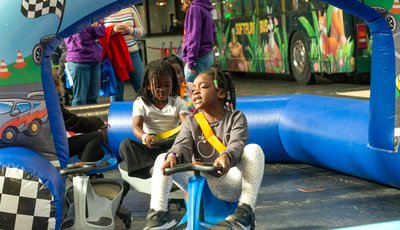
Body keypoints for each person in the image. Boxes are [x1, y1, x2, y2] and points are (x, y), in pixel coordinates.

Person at [144, 68, 265, 230]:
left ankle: (246, 212)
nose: (195, 92)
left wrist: (227, 156)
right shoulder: (191, 121)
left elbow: (237, 143)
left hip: (228, 182)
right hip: (200, 178)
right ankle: (158, 213)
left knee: (254, 150)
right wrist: (174, 155)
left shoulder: (236, 118)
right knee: (163, 158)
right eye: (193, 90)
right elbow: (182, 145)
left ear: (220, 92)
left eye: (203, 87)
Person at [119, 59, 189, 179]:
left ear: (173, 84)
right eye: (157, 86)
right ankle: (150, 169)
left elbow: (186, 121)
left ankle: (170, 164)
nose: (162, 89)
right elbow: (136, 126)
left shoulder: (177, 101)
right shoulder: (141, 102)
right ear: (148, 86)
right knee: (125, 145)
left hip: (172, 144)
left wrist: (186, 127)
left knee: (188, 142)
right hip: (151, 145)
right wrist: (145, 137)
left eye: (167, 85)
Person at [53, 74, 107, 162]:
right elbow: (75, 123)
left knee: (95, 149)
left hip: (35, 148)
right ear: (57, 86)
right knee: (96, 136)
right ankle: (81, 172)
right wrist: (99, 122)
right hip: (53, 149)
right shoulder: (52, 105)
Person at [104, 5, 145, 102]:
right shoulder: (104, 10)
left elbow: (141, 32)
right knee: (116, 93)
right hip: (114, 56)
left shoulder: (130, 7)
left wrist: (130, 30)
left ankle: (150, 114)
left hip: (132, 53)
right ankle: (117, 116)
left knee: (143, 88)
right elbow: (99, 35)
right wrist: (113, 30)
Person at [64, 21, 105, 106]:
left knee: (93, 98)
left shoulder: (91, 15)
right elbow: (82, 37)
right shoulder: (71, 17)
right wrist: (94, 28)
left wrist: (88, 28)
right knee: (80, 99)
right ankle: (77, 119)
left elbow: (102, 32)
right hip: (78, 61)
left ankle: (91, 119)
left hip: (94, 60)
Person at [181, 0, 215, 82]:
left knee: (188, 88)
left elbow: (193, 37)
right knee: (202, 88)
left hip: (198, 57)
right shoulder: (205, 8)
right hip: (207, 55)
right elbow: (214, 32)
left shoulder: (195, 9)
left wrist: (190, 61)